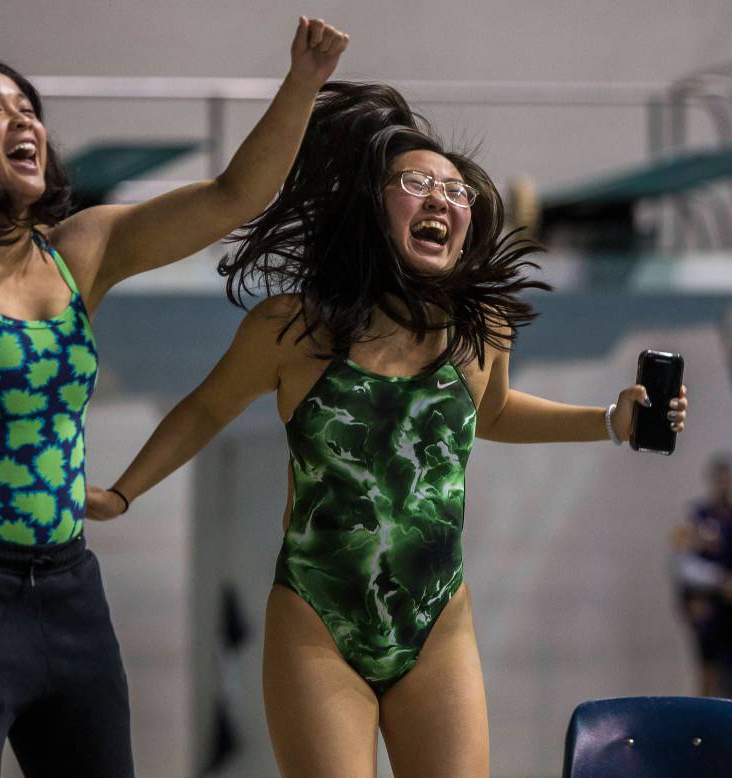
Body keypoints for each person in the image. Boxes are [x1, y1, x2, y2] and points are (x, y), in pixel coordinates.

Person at [86, 81, 691, 778]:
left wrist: (610, 421)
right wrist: (123, 493)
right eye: (416, 183)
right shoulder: (294, 328)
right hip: (319, 623)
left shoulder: (481, 330)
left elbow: (490, 413)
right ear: (371, 209)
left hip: (436, 626)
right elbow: (204, 408)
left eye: (456, 191)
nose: (441, 198)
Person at [0, 19, 349, 777]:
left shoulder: (80, 252)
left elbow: (235, 195)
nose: (23, 119)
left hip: (70, 587)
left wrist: (302, 82)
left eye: (27, 106)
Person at [671, 454, 732, 697]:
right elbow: (682, 563)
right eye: (722, 480)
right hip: (712, 607)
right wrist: (720, 582)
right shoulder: (695, 516)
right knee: (709, 674)